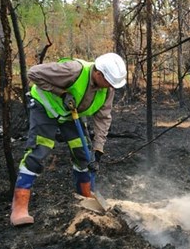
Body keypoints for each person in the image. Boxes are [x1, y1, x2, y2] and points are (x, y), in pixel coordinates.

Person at [10, 53, 127, 226]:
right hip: (45, 107)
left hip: (70, 114)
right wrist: (62, 93)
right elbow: (33, 73)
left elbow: (103, 118)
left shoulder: (107, 88)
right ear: (98, 74)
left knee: (84, 154)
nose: (110, 87)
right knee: (39, 150)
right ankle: (19, 207)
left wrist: (98, 149)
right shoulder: (73, 70)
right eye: (109, 82)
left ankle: (85, 198)